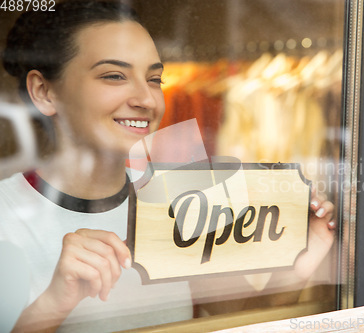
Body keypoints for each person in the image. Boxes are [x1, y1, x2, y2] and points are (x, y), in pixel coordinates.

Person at [0, 1, 335, 332]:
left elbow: (240, 318)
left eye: (154, 79)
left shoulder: (182, 194)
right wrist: (54, 303)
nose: (146, 100)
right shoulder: (6, 214)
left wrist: (300, 260)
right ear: (44, 92)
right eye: (114, 76)